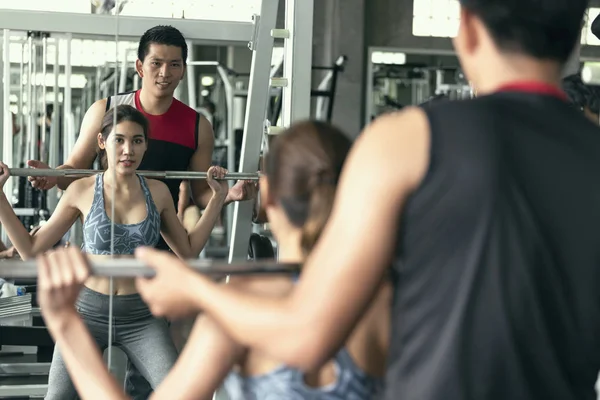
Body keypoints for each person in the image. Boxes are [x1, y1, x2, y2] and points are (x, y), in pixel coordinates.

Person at [124, 1, 600, 399]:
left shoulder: (409, 140)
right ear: (576, 38)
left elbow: (308, 335)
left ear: (468, 30)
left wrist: (192, 288)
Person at [32, 121, 391, 400]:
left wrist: (64, 322)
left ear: (269, 197)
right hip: (100, 306)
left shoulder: (235, 313)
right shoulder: (386, 297)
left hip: (139, 314)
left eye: (136, 140)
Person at [26, 24, 255, 398]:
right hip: (100, 271)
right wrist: (52, 178)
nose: (165, 73)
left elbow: (198, 191)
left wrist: (226, 196)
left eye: (174, 65)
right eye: (157, 63)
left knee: (147, 383)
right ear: (139, 66)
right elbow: (76, 170)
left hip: (154, 268)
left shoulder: (197, 125)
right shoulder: (106, 110)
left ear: (184, 69)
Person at [0, 104, 228, 399]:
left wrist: (218, 198)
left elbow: (188, 251)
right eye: (119, 140)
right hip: (87, 313)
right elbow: (30, 250)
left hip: (143, 317)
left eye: (137, 141)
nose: (127, 150)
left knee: (182, 394)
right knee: (57, 397)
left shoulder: (157, 192)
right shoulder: (81, 190)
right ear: (102, 142)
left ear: (146, 145)